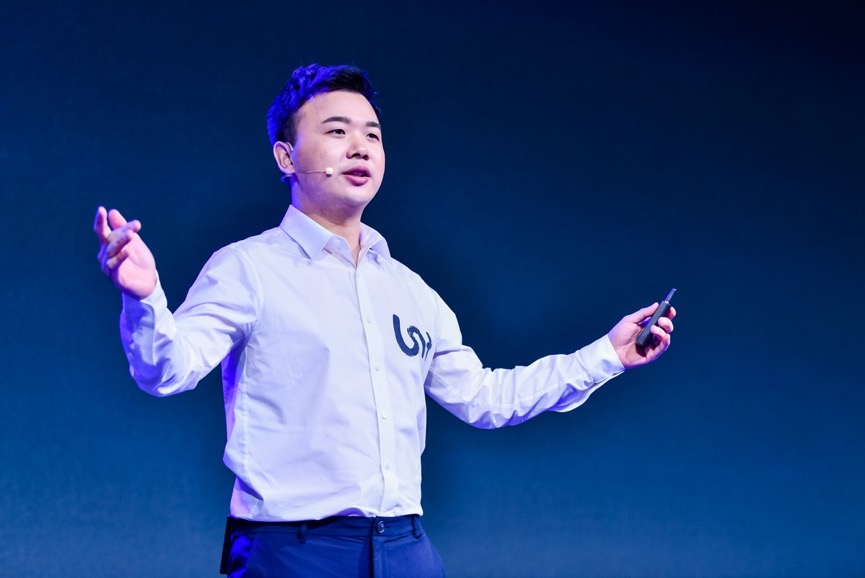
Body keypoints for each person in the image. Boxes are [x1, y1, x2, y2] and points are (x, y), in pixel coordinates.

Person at [93, 63, 675, 577]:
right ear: (286, 156)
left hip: (405, 547)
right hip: (292, 552)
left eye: (372, 134)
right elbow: (168, 370)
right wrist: (144, 299)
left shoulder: (410, 291)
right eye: (337, 132)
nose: (360, 148)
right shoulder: (247, 268)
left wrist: (607, 354)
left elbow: (484, 398)